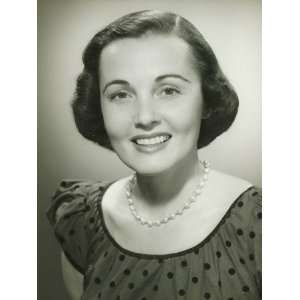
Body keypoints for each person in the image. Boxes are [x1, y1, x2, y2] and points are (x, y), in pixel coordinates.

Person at [47, 10, 261, 300]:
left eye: (169, 90)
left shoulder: (261, 223)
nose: (145, 117)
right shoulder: (82, 220)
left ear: (207, 99)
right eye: (120, 94)